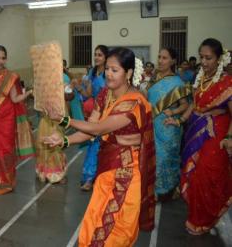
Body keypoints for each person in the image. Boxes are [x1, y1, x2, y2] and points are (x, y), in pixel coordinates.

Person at [43, 47, 155, 247]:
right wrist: (65, 141)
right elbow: (90, 130)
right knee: (94, 222)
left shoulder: (134, 103)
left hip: (126, 173)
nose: (109, 74)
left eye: (115, 70)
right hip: (107, 167)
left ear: (128, 73)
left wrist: (63, 120)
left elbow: (97, 128)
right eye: (108, 69)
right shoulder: (105, 94)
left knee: (115, 231)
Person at [166, 38, 231, 235]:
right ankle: (196, 216)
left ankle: (210, 216)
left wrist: (229, 137)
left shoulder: (227, 82)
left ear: (219, 59)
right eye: (201, 57)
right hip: (195, 130)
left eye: (208, 58)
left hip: (217, 132)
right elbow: (195, 105)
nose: (203, 62)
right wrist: (179, 120)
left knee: (208, 173)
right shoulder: (200, 78)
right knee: (193, 174)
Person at [0, 45, 33, 195]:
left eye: (3, 58)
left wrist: (28, 92)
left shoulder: (11, 76)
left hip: (6, 119)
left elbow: (15, 98)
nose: (1, 61)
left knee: (5, 148)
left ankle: (6, 182)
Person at [147, 48, 190, 201]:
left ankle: (168, 188)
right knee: (154, 157)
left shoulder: (178, 82)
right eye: (159, 57)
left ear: (172, 61)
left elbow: (186, 105)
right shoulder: (153, 79)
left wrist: (173, 112)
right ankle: (156, 189)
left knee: (166, 158)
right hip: (152, 125)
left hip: (168, 126)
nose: (160, 60)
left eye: (164, 58)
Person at [81, 45, 109, 191]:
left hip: (107, 115)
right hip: (95, 115)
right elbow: (88, 94)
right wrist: (79, 88)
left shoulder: (109, 74)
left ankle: (99, 178)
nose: (96, 57)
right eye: (95, 54)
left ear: (106, 58)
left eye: (100, 55)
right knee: (93, 146)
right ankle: (90, 178)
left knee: (103, 147)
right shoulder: (93, 73)